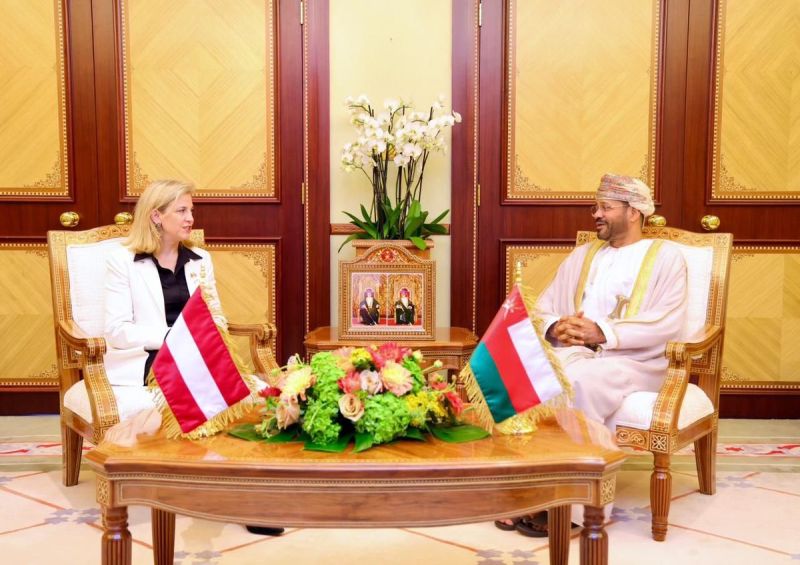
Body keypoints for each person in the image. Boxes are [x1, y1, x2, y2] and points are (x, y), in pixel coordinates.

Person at [496, 173, 688, 537]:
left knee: (579, 383)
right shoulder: (584, 255)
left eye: (605, 208)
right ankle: (527, 491)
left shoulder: (667, 257)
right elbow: (545, 307)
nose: (596, 214)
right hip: (575, 353)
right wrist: (556, 327)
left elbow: (667, 321)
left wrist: (601, 333)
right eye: (595, 207)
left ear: (633, 212)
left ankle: (575, 509)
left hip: (635, 360)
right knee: (522, 370)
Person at [103, 179, 284, 537]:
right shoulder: (122, 261)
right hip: (151, 362)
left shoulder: (200, 260)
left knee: (254, 396)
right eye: (182, 211)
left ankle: (251, 498)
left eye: (191, 210)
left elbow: (214, 317)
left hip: (200, 356)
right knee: (210, 398)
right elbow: (117, 330)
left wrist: (205, 342)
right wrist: (174, 338)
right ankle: (208, 488)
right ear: (156, 216)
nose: (190, 218)